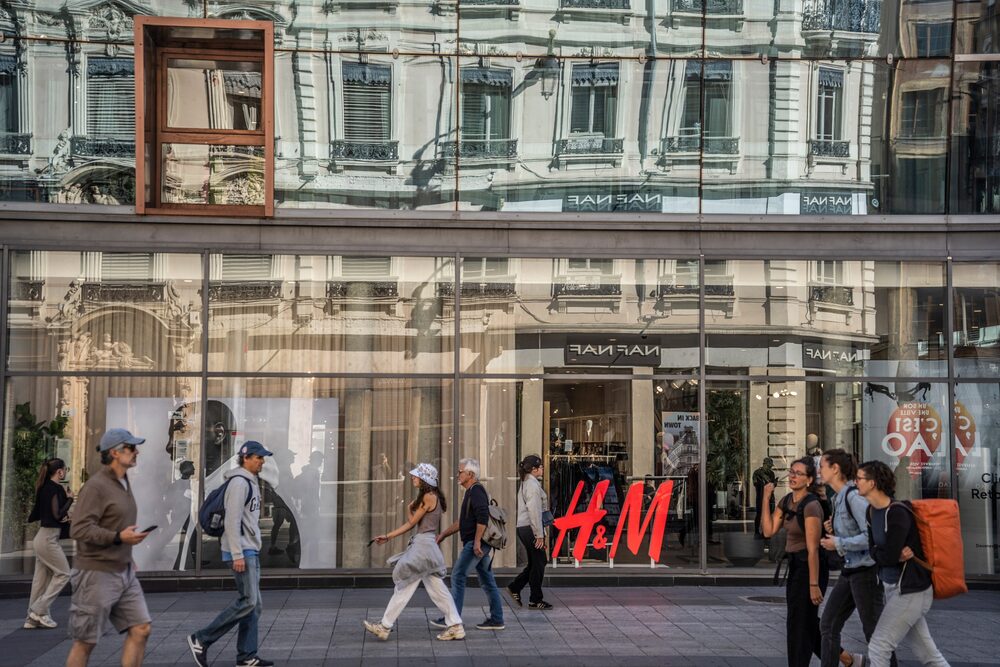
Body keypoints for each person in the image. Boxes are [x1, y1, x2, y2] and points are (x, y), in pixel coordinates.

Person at [67, 428, 153, 667]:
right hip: (96, 572)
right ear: (115, 453)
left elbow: (118, 524)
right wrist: (117, 538)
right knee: (86, 641)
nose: (137, 452)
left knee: (141, 629)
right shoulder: (96, 486)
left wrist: (125, 549)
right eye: (132, 448)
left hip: (123, 569)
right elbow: (79, 529)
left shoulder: (123, 482)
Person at [187, 441, 275, 667]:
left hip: (249, 549)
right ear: (246, 458)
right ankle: (202, 638)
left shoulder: (250, 481)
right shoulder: (239, 483)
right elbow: (232, 521)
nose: (262, 461)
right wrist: (237, 554)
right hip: (242, 550)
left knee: (254, 606)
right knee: (248, 602)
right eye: (259, 457)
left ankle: (247, 656)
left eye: (263, 458)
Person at [856, 460, 950, 667]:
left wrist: (885, 554)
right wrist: (886, 554)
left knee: (879, 646)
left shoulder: (897, 512)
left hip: (911, 590)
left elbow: (886, 556)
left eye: (859, 478)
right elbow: (876, 551)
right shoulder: (871, 512)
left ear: (872, 483)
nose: (856, 483)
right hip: (893, 588)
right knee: (928, 654)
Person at [362, 463, 465, 642]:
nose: (412, 478)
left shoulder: (428, 496)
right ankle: (455, 625)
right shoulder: (433, 496)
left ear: (425, 479)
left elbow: (411, 524)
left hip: (423, 548)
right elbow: (417, 522)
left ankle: (385, 626)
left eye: (416, 476)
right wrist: (411, 509)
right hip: (426, 546)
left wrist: (388, 536)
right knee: (437, 590)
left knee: (405, 585)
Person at [819, 450, 892, 667]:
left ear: (835, 469)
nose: (819, 470)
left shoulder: (852, 497)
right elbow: (857, 530)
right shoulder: (839, 498)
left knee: (874, 632)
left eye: (822, 465)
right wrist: (837, 530)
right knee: (828, 625)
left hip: (866, 572)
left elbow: (872, 535)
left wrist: (838, 543)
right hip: (850, 569)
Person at [761, 456, 827, 667]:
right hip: (795, 567)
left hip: (810, 567)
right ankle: (845, 658)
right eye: (791, 472)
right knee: (799, 622)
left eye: (798, 474)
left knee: (801, 624)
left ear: (809, 480)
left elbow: (813, 549)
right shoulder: (787, 500)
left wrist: (814, 584)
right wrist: (765, 498)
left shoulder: (811, 506)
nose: (792, 476)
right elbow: (769, 530)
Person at [434, 457, 505, 631]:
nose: (458, 475)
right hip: (477, 543)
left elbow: (482, 517)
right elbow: (463, 521)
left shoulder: (476, 491)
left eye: (460, 472)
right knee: (487, 581)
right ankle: (497, 619)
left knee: (458, 576)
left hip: (476, 544)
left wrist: (476, 542)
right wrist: (443, 534)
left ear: (471, 474)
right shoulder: (471, 492)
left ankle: (452, 618)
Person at [25, 458, 73, 629]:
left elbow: (51, 515)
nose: (65, 472)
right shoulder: (55, 489)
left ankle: (31, 620)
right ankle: (38, 610)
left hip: (42, 537)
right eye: (65, 469)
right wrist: (69, 500)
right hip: (48, 539)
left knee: (40, 580)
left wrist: (64, 515)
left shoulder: (43, 487)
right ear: (59, 472)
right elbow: (58, 515)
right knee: (64, 573)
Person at [508, 454, 552, 610]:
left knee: (536, 562)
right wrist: (539, 534)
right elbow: (534, 511)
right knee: (540, 562)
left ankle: (517, 588)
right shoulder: (532, 486)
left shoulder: (526, 483)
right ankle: (534, 598)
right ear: (534, 469)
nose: (542, 468)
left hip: (525, 528)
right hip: (530, 528)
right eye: (540, 467)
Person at [752, 457, 776, 538]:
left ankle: (765, 532)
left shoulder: (771, 473)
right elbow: (755, 483)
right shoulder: (757, 473)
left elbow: (772, 485)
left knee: (768, 515)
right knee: (759, 514)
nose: (770, 468)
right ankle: (756, 532)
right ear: (764, 464)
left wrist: (774, 483)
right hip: (760, 496)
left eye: (770, 466)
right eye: (769, 466)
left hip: (769, 497)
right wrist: (764, 482)